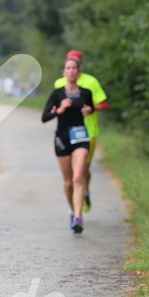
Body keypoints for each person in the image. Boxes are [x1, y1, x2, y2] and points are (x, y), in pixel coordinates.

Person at [42, 57, 94, 233]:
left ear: (78, 73)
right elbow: (44, 117)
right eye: (68, 68)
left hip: (80, 137)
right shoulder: (57, 94)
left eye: (74, 68)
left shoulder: (86, 92)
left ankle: (78, 218)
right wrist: (60, 109)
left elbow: (91, 107)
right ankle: (72, 210)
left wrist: (88, 110)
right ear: (64, 72)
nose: (71, 71)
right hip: (62, 138)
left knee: (78, 177)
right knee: (68, 182)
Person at [54, 50, 108, 212]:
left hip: (88, 132)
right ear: (65, 65)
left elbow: (104, 104)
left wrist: (90, 109)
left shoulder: (91, 82)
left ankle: (85, 191)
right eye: (69, 62)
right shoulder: (59, 84)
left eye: (75, 62)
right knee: (72, 173)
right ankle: (76, 205)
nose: (71, 68)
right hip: (66, 133)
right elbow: (54, 106)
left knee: (83, 169)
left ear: (80, 64)